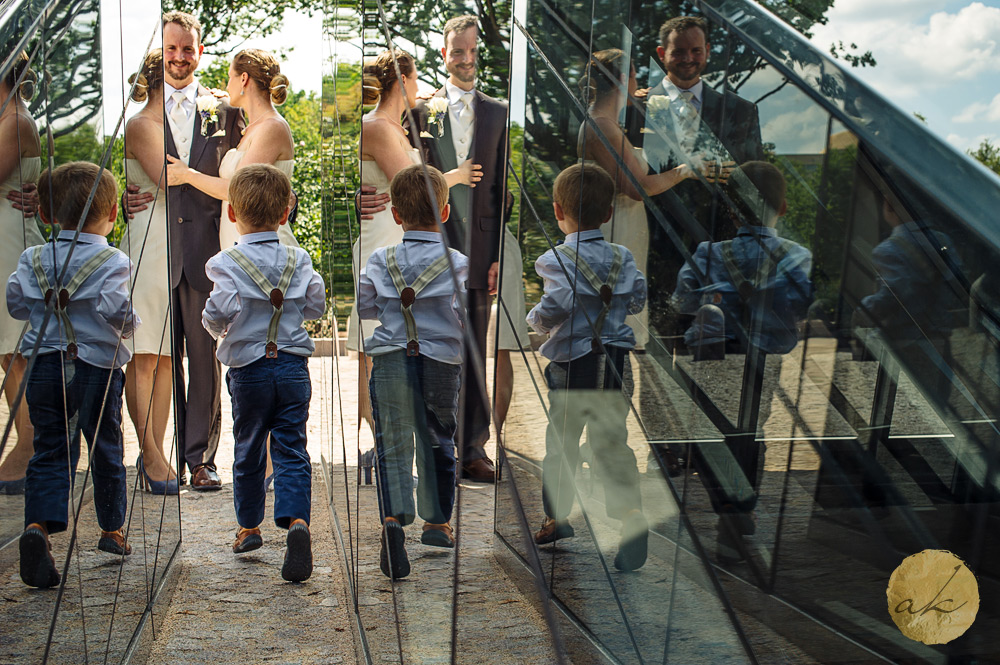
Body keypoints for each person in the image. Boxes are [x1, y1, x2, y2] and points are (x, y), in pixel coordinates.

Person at [671, 161, 812, 564]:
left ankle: (730, 507)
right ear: (782, 208)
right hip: (764, 355)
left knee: (716, 430)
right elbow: (801, 303)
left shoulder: (708, 252)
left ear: (731, 210)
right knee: (751, 427)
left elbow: (682, 300)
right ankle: (741, 505)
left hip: (714, 354)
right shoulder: (796, 255)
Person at [8, 161, 140, 588]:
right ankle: (112, 530)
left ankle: (37, 529)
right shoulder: (112, 259)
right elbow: (115, 312)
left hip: (45, 366)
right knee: (105, 447)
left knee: (49, 448)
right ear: (112, 212)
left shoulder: (33, 258)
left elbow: (15, 304)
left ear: (45, 215)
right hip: (97, 370)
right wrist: (132, 324)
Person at [201, 164, 325, 582]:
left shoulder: (225, 261)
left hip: (248, 370)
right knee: (291, 446)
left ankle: (249, 527)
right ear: (286, 211)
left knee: (249, 448)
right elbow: (316, 305)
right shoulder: (299, 257)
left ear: (233, 213)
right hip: (292, 367)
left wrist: (216, 329)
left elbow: (219, 311)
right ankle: (297, 523)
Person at [527, 163, 649, 572]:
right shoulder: (622, 257)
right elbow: (636, 300)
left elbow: (555, 307)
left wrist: (536, 322)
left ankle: (557, 517)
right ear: (609, 213)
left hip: (571, 365)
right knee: (612, 440)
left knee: (561, 443)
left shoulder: (556, 259)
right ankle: (631, 515)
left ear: (559, 211)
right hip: (614, 363)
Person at [141, 11, 245, 490]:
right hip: (159, 256)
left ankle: (200, 460)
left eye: (187, 49)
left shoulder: (226, 112)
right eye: (171, 49)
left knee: (205, 360)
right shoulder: (141, 114)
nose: (179, 58)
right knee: (160, 360)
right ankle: (157, 457)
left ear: (199, 52)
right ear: (160, 53)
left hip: (208, 251)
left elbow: (250, 178)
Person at [352, 48, 480, 434]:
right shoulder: (376, 126)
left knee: (400, 333)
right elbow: (414, 187)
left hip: (397, 231)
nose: (421, 86)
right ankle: (379, 429)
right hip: (384, 235)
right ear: (403, 80)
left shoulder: (393, 127)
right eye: (416, 77)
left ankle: (391, 428)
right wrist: (457, 175)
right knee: (379, 338)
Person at [408, 15, 508, 482]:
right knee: (432, 345)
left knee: (474, 349)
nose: (465, 59)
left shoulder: (498, 112)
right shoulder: (422, 113)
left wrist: (497, 258)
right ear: (444, 53)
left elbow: (503, 190)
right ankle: (435, 444)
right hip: (434, 245)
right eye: (457, 52)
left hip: (483, 247)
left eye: (471, 51)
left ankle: (473, 447)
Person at [357, 164, 468, 580]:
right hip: (440, 361)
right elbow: (463, 315)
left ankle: (393, 520)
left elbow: (367, 307)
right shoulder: (457, 262)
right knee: (439, 437)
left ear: (396, 215)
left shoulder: (380, 259)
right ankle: (437, 523)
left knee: (392, 442)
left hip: (388, 359)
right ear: (444, 211)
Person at [627, 15, 764, 298]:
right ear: (662, 54)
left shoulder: (741, 111)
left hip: (721, 246)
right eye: (678, 51)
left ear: (708, 52)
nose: (688, 58)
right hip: (653, 244)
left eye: (696, 50)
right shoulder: (635, 108)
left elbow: (755, 178)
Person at [579, 48, 697, 350]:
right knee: (613, 327)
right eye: (633, 75)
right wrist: (685, 171)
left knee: (618, 322)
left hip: (625, 228)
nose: (638, 81)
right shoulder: (601, 125)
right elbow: (637, 187)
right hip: (616, 229)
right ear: (622, 78)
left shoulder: (608, 123)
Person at [166, 48, 298, 251]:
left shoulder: (272, 127)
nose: (227, 85)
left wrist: (187, 175)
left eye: (230, 78)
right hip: (237, 243)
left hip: (264, 248)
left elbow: (238, 190)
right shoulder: (252, 128)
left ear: (243, 79)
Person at [122, 48, 177, 494]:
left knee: (164, 360)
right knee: (143, 356)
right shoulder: (142, 124)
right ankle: (152, 456)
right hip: (148, 243)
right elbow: (165, 178)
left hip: (173, 248)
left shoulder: (183, 119)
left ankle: (156, 449)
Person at [0, 49, 43, 493]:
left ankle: (30, 443)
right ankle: (24, 438)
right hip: (4, 234)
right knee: (7, 351)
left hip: (11, 238)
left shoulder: (15, 121)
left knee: (17, 347)